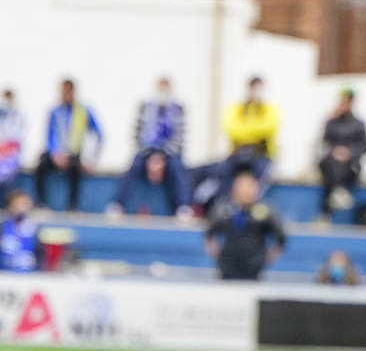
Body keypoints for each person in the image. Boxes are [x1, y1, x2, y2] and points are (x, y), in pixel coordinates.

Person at [110, 77, 190, 217]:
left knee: (177, 167)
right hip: (146, 152)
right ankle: (117, 204)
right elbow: (137, 135)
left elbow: (180, 139)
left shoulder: (178, 109)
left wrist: (161, 157)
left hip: (169, 154)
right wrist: (152, 156)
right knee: (134, 165)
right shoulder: (145, 107)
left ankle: (183, 207)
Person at [204, 168, 286, 281]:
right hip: (227, 267)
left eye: (249, 186)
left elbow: (281, 237)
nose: (244, 191)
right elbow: (209, 233)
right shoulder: (224, 209)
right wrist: (217, 254)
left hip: (253, 268)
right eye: (241, 186)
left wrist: (265, 258)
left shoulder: (264, 211)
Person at [37, 79, 103, 211]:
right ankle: (42, 203)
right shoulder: (55, 111)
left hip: (74, 154)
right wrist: (55, 153)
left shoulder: (83, 111)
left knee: (75, 169)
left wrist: (92, 158)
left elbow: (97, 135)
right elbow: (49, 135)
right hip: (56, 154)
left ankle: (72, 206)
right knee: (41, 164)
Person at [318, 88, 366, 220]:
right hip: (331, 162)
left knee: (341, 166)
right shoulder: (331, 123)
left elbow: (365, 147)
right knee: (330, 163)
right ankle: (339, 190)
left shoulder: (359, 124)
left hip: (350, 164)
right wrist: (336, 151)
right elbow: (324, 143)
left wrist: (349, 152)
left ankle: (326, 210)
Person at [221, 76, 278, 186]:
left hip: (262, 155)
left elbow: (269, 128)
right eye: (254, 88)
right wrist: (254, 132)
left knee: (257, 180)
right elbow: (231, 129)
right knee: (224, 173)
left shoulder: (269, 109)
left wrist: (244, 131)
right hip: (237, 154)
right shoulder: (237, 108)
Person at [1, 190, 38, 272]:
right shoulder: (3, 227)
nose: (22, 208)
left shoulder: (33, 228)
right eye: (19, 204)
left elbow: (39, 254)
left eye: (25, 204)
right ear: (10, 206)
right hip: (4, 274)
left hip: (28, 274)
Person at [0, 89, 25, 200]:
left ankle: (10, 201)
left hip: (11, 154)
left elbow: (18, 139)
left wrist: (7, 148)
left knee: (8, 168)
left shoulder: (18, 117)